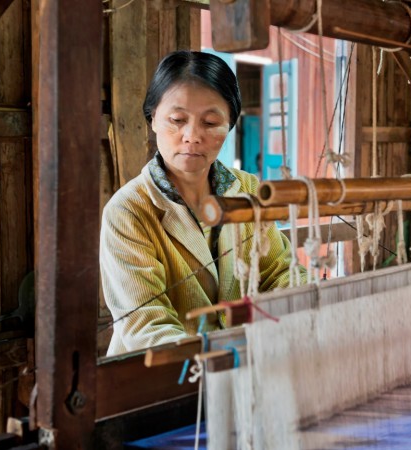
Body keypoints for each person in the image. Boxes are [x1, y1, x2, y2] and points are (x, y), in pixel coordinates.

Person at [100, 51, 302, 356]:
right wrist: (228, 353)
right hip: (164, 384)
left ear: (230, 125)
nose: (192, 136)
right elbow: (147, 326)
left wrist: (313, 304)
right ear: (152, 118)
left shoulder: (247, 189)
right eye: (177, 120)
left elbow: (278, 272)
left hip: (244, 369)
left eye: (210, 122)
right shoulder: (129, 210)